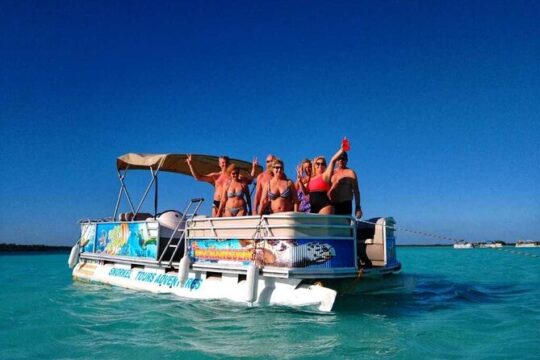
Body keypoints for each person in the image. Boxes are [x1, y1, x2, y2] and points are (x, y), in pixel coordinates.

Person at [186, 154, 254, 216]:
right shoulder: (216, 176)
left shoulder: (234, 175)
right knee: (214, 223)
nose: (224, 164)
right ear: (219, 164)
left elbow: (250, 181)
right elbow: (198, 178)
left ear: (228, 163)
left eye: (226, 163)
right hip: (216, 203)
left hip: (227, 203)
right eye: (222, 163)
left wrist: (253, 168)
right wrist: (190, 164)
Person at [301, 147, 344, 214]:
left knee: (323, 224)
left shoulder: (325, 175)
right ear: (314, 165)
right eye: (318, 163)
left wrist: (342, 150)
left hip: (325, 206)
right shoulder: (310, 178)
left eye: (323, 164)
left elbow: (333, 160)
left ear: (325, 166)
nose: (320, 165)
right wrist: (300, 180)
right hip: (313, 208)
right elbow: (306, 193)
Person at [328, 152, 362, 218]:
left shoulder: (351, 173)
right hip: (332, 205)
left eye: (343, 159)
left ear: (346, 160)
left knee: (345, 227)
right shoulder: (331, 173)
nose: (341, 160)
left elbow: (356, 191)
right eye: (339, 159)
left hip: (346, 205)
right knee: (332, 227)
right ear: (336, 160)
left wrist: (358, 207)